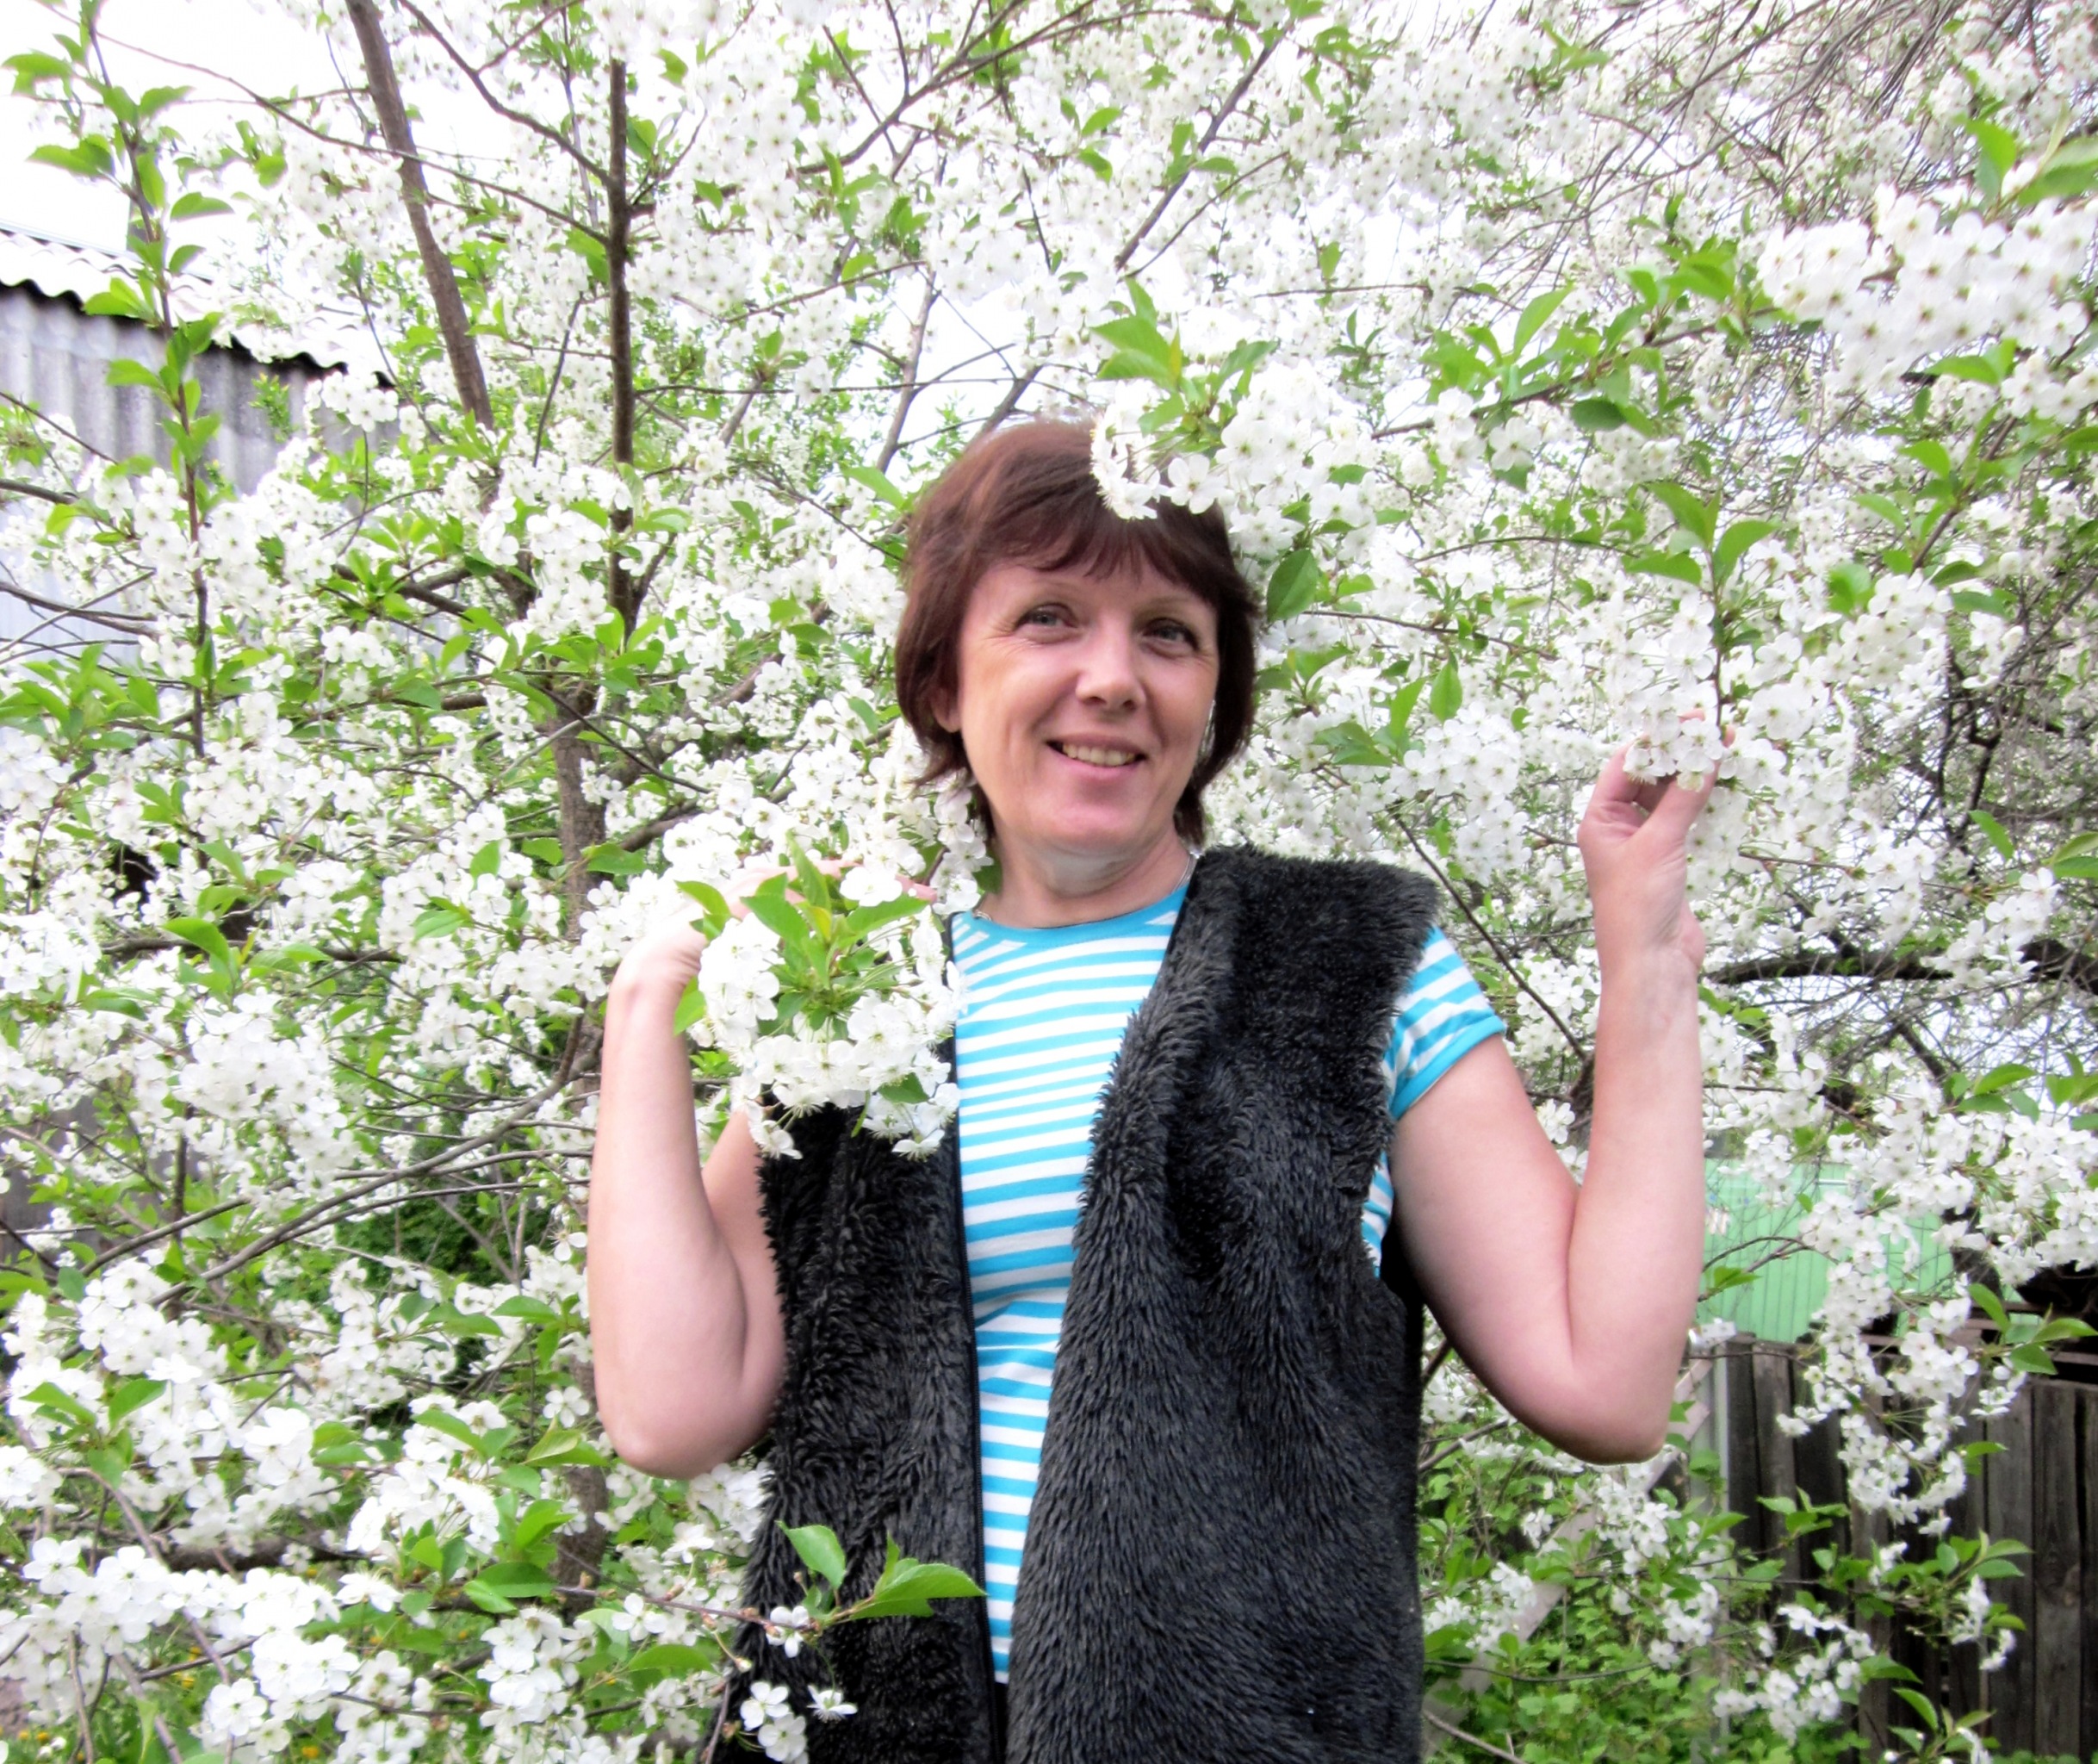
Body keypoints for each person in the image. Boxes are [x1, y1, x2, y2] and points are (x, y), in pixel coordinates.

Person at [587, 419, 1714, 1764]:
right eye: (1048, 618)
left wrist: (1647, 962)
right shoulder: (862, 999)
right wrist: (649, 1012)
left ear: (1216, 694)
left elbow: (1605, 1382)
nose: (1113, 679)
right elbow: (671, 1409)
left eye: (1169, 634)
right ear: (943, 680)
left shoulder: (1353, 963)